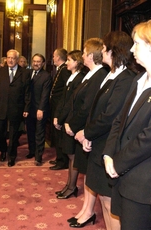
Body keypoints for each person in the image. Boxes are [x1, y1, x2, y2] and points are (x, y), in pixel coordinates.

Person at [70, 31, 136, 229]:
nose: (103, 51)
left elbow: (110, 115)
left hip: (108, 145)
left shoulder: (125, 78)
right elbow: (97, 109)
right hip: (98, 143)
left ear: (114, 51)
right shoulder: (112, 75)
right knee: (104, 202)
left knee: (109, 202)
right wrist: (89, 134)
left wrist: (87, 133)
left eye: (105, 48)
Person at [103, 20, 151, 230]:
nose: (132, 49)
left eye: (137, 43)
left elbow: (148, 138)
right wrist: (108, 154)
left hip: (143, 182)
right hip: (124, 175)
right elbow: (119, 122)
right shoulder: (138, 79)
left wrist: (117, 163)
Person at [55, 38, 108, 200]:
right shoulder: (90, 74)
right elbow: (73, 100)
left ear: (91, 56)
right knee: (75, 159)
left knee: (79, 162)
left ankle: (73, 189)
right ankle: (70, 187)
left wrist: (72, 124)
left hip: (82, 127)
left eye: (84, 53)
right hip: (76, 124)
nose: (82, 56)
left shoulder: (99, 75)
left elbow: (87, 106)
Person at [0, 49, 30, 167]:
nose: (10, 60)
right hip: (1, 107)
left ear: (17, 60)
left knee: (13, 135)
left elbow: (27, 92)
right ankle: (3, 150)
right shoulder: (0, 72)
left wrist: (26, 108)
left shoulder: (25, 73)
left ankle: (11, 156)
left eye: (13, 58)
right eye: (8, 58)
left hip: (16, 108)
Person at [53, 50, 85, 170]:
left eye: (69, 60)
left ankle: (71, 185)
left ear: (77, 62)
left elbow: (71, 102)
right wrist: (57, 116)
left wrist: (61, 119)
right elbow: (63, 99)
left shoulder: (79, 78)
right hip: (64, 116)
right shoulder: (71, 76)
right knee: (66, 150)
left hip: (70, 118)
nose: (66, 62)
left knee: (71, 153)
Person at [25, 53, 52, 166]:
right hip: (29, 109)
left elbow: (45, 95)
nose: (36, 63)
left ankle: (38, 156)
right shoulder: (29, 73)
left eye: (38, 62)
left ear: (43, 63)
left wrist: (41, 109)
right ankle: (32, 151)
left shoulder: (46, 76)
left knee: (39, 133)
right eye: (34, 61)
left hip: (40, 109)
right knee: (30, 131)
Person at [49, 48, 71, 170]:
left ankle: (62, 161)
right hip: (56, 106)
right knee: (56, 135)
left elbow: (65, 91)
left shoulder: (64, 70)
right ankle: (59, 158)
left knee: (59, 135)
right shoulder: (61, 69)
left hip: (60, 107)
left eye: (53, 56)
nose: (53, 58)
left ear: (58, 57)